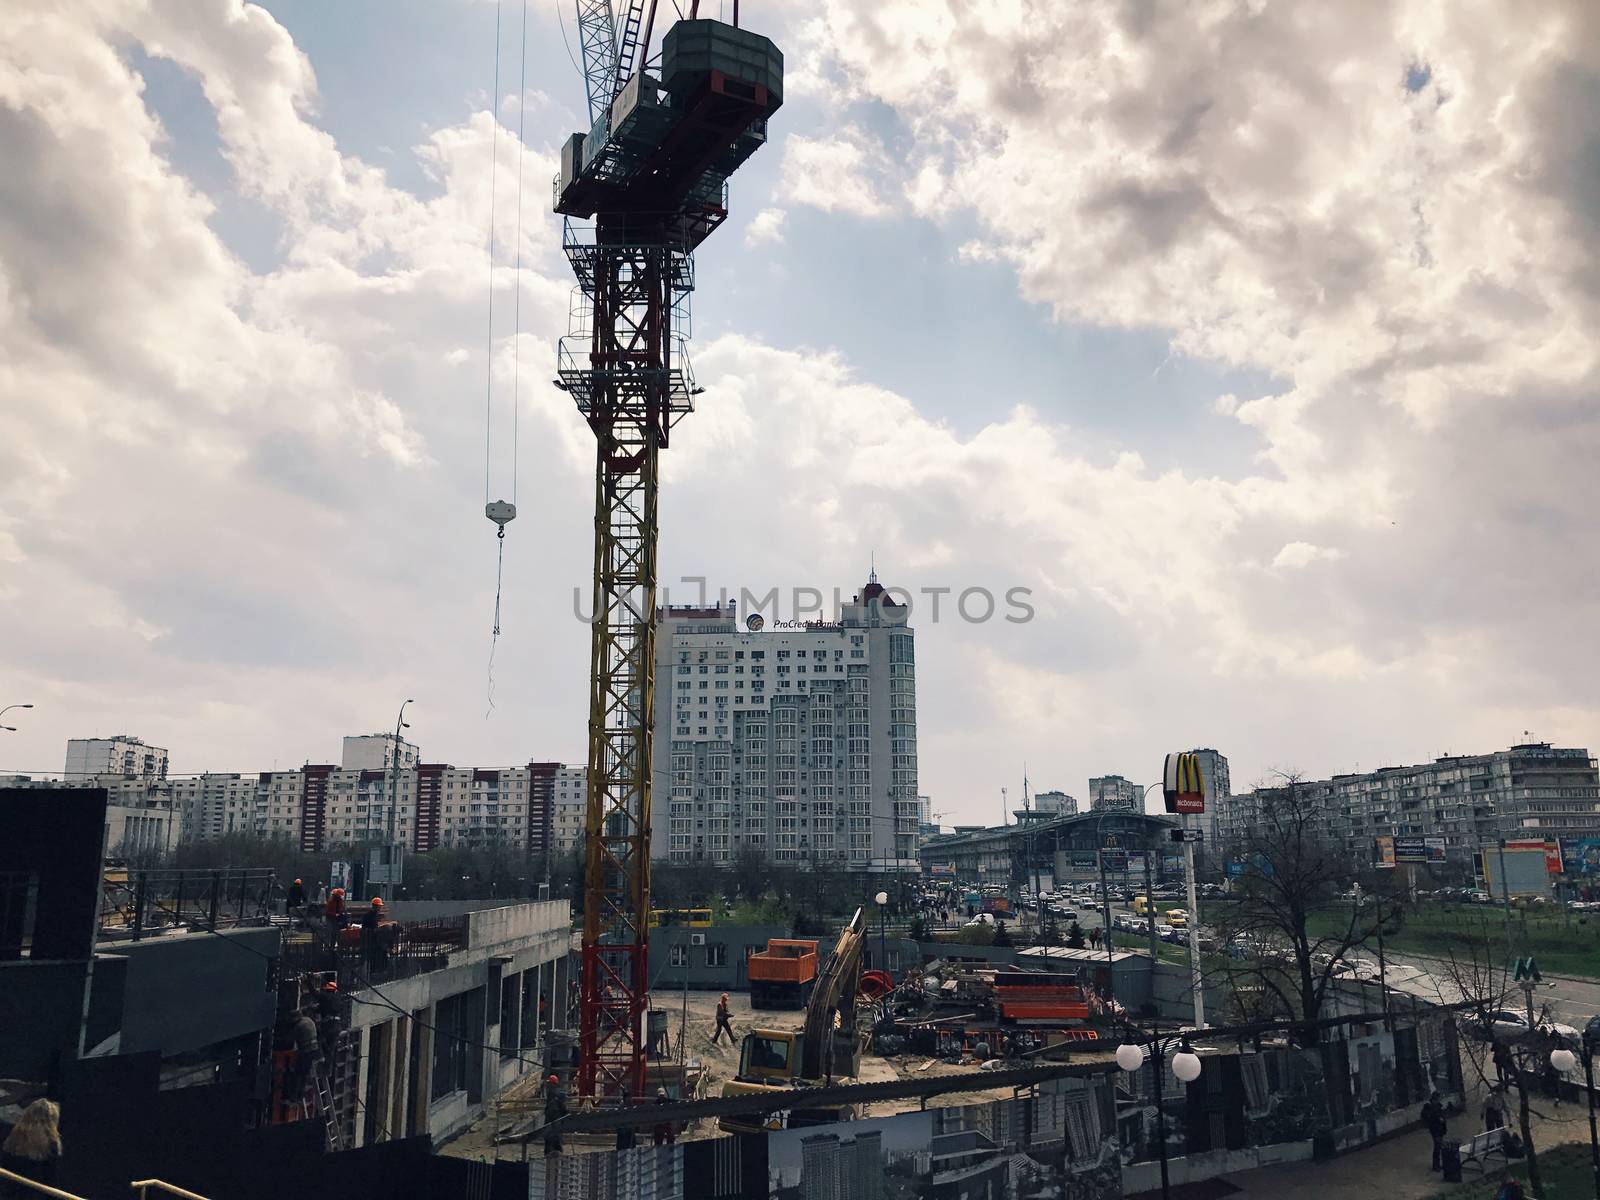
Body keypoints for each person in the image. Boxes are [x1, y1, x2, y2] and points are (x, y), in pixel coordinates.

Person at [1, 1099, 62, 1190]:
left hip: (8, 1188)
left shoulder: (11, 1135)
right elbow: (50, 1176)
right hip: (34, 1191)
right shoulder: (51, 1143)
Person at [1422, 1090, 1448, 1171]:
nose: (1438, 1100)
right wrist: (1438, 1118)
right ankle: (1436, 1165)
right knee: (1437, 1146)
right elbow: (1430, 1118)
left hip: (1440, 1129)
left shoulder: (1438, 1106)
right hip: (1435, 1130)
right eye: (1437, 1099)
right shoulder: (1430, 1108)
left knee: (1438, 1147)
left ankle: (1437, 1164)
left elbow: (1442, 1117)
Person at [542, 1076, 567, 1158]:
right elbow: (562, 1107)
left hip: (554, 1116)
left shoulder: (556, 1093)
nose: (548, 1085)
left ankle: (554, 1151)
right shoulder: (553, 1093)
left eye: (549, 1083)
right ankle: (552, 1151)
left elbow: (561, 1106)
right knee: (551, 1135)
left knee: (553, 1134)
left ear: (553, 1084)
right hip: (553, 1116)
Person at [361, 897, 388, 973]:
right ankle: (376, 969)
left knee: (382, 951)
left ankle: (380, 969)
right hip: (371, 939)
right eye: (379, 906)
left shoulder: (374, 915)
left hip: (374, 938)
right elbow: (367, 928)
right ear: (375, 906)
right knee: (375, 955)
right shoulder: (369, 916)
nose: (380, 908)